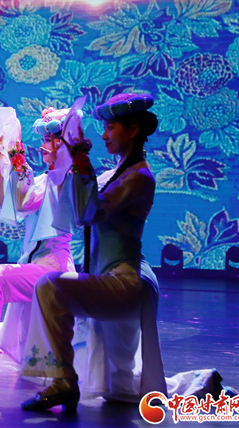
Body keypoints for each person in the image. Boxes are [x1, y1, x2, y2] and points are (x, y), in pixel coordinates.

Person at [20, 93, 166, 413]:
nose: (104, 136)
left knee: (50, 285)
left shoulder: (139, 176)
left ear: (133, 129)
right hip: (114, 273)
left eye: (111, 128)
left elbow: (91, 213)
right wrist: (67, 156)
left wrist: (79, 160)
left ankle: (63, 381)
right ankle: (62, 378)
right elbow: (76, 207)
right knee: (52, 288)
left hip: (128, 278)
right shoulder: (117, 173)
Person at [0, 107, 76, 378]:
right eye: (44, 140)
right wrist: (3, 166)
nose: (45, 145)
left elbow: (24, 200)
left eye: (50, 140)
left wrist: (16, 159)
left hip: (54, 266)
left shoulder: (68, 177)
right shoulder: (45, 179)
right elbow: (13, 206)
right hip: (35, 263)